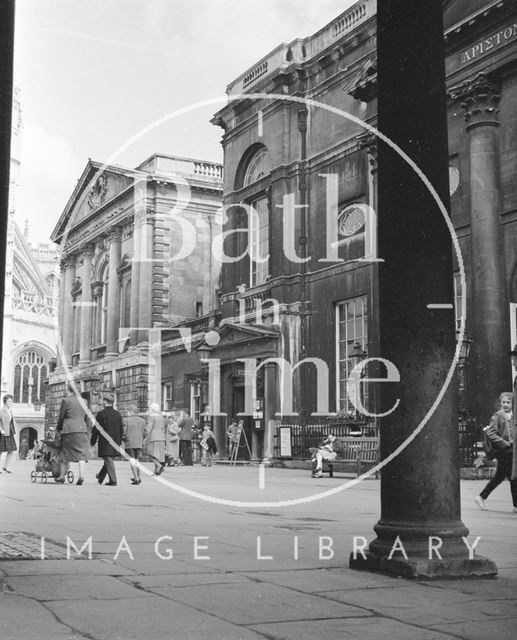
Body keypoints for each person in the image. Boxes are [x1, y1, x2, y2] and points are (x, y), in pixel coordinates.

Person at [475, 389, 517, 513]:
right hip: (503, 452)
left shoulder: (514, 415)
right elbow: (491, 433)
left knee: (508, 477)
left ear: (513, 403)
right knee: (509, 477)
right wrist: (504, 443)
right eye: (503, 402)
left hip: (512, 452)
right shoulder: (498, 416)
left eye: (508, 402)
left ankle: (515, 505)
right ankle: (481, 496)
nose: (505, 405)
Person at [56, 383, 89, 485]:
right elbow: (86, 417)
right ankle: (81, 475)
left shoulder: (66, 401)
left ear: (69, 390)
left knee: (64, 453)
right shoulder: (85, 401)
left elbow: (62, 416)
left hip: (69, 429)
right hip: (82, 429)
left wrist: (58, 428)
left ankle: (61, 476)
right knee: (82, 454)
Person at [90, 393, 123, 486]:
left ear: (105, 401)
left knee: (108, 459)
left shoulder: (101, 414)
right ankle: (100, 477)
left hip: (105, 440)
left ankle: (113, 480)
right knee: (108, 459)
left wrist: (92, 441)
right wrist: (119, 441)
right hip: (115, 440)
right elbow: (121, 428)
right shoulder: (118, 414)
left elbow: (97, 429)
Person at [123, 404, 146, 484]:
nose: (126, 413)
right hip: (139, 443)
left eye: (127, 412)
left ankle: (136, 479)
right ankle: (138, 477)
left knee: (132, 460)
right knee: (137, 460)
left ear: (131, 411)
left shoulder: (126, 420)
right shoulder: (142, 421)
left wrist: (123, 439)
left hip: (130, 443)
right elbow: (145, 432)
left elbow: (124, 432)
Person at [145, 403, 167, 475]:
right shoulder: (161, 417)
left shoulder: (151, 417)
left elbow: (149, 428)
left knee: (150, 453)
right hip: (162, 437)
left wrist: (146, 438)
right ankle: (156, 471)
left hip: (153, 437)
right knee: (158, 455)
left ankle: (159, 466)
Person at [0, 394, 18, 473]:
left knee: (10, 450)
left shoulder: (10, 410)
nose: (10, 402)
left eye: (11, 401)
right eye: (9, 401)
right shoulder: (1, 410)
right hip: (3, 432)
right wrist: (1, 430)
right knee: (0, 450)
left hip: (9, 432)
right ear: (5, 402)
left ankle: (6, 467)